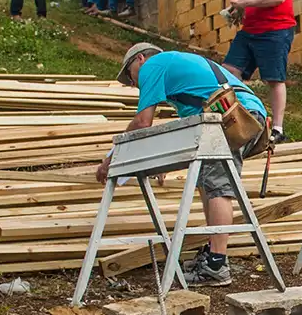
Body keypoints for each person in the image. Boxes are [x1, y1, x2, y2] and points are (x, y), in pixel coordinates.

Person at [101, 43, 271, 287]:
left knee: (217, 187)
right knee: (208, 183)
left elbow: (142, 122)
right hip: (239, 113)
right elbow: (191, 131)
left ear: (140, 59)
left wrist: (111, 160)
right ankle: (213, 254)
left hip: (231, 115)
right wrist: (165, 163)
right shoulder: (179, 72)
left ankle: (216, 265)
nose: (134, 84)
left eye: (130, 76)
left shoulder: (154, 66)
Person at [223, 0, 295, 142]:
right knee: (228, 71)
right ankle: (242, 117)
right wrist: (235, 11)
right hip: (249, 31)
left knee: (274, 78)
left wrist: (246, 3)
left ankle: (278, 129)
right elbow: (244, 0)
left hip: (275, 30)